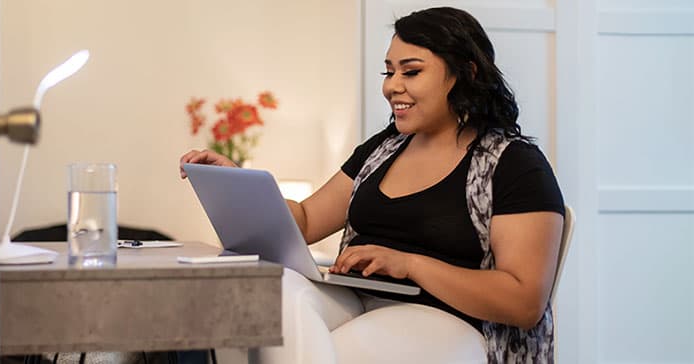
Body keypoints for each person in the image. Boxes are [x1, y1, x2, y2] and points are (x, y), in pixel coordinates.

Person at [180, 7, 564, 364]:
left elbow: (524, 300)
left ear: (466, 73)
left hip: (451, 322)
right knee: (275, 292)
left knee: (328, 351)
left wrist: (410, 265)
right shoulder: (382, 149)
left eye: (410, 72)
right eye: (388, 72)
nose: (392, 86)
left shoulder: (513, 165)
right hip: (358, 299)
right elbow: (307, 219)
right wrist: (238, 181)